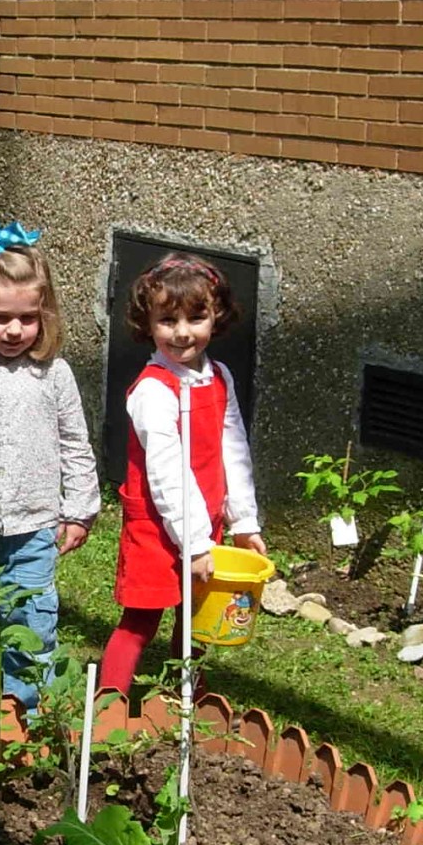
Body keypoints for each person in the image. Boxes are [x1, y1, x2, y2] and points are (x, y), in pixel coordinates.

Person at [0, 214, 100, 709]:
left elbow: (76, 443)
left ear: (44, 315)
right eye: (0, 317)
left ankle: (23, 704)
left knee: (31, 618)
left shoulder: (53, 375)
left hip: (35, 527)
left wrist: (79, 509)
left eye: (27, 318)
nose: (14, 330)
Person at [97, 255, 266, 699]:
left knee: (196, 616)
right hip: (158, 527)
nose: (182, 332)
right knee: (140, 620)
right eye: (168, 320)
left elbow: (234, 450)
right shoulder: (154, 390)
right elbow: (167, 471)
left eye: (196, 317)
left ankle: (186, 696)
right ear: (147, 322)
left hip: (204, 522)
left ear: (217, 316)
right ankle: (109, 703)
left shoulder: (220, 378)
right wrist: (192, 543)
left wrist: (243, 521)